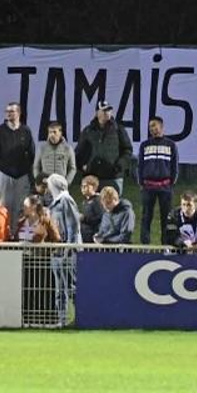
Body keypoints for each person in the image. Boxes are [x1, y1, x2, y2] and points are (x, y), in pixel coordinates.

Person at [0, 102, 35, 238]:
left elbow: (31, 152)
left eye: (12, 111)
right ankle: (4, 234)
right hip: (5, 174)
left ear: (19, 113)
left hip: (21, 175)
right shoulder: (0, 130)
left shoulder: (25, 131)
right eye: (7, 111)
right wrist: (3, 168)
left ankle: (17, 235)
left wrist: (24, 168)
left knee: (20, 207)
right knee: (4, 205)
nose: (9, 114)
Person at [76, 101, 133, 196]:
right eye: (104, 111)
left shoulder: (118, 129)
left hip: (113, 176)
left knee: (111, 206)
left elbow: (127, 149)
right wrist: (83, 166)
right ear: (97, 113)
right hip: (93, 176)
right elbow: (79, 152)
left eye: (109, 110)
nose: (107, 113)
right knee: (94, 207)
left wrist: (119, 165)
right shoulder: (88, 131)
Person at [137, 117, 178, 245]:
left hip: (165, 187)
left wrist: (171, 182)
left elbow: (174, 165)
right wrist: (141, 182)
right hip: (148, 187)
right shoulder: (145, 145)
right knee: (146, 217)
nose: (152, 129)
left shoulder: (170, 145)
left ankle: (165, 244)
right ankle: (145, 244)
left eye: (154, 126)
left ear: (161, 127)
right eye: (150, 127)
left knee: (166, 217)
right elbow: (140, 164)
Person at [47, 174, 80, 327]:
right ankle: (62, 320)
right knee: (60, 288)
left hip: (67, 251)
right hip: (58, 250)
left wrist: (69, 247)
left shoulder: (66, 200)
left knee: (71, 286)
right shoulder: (55, 203)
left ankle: (78, 318)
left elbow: (73, 226)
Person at [33, 121, 77, 186]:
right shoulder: (42, 148)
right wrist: (40, 180)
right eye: (50, 132)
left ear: (60, 133)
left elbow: (72, 168)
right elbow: (36, 167)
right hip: (46, 186)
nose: (52, 135)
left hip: (61, 186)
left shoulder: (68, 149)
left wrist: (67, 182)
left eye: (54, 132)